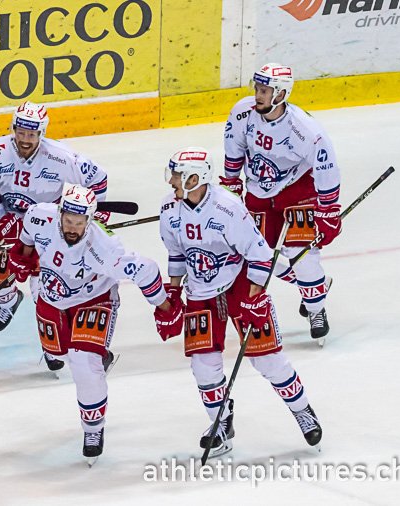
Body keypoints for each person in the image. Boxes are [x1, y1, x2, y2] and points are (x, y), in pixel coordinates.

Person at [154, 147, 322, 457]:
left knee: (267, 358)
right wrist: (173, 294)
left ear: (196, 178)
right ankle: (221, 424)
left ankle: (302, 410)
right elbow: (176, 255)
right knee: (203, 365)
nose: (172, 182)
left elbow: (259, 256)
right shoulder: (169, 209)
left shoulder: (229, 209)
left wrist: (254, 299)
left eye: (178, 176)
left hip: (240, 282)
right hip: (201, 291)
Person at [8, 184, 172, 465]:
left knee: (83, 362)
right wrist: (22, 256)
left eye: (79, 223)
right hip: (52, 296)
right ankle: (100, 358)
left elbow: (145, 269)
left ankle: (93, 429)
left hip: (93, 300)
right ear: (60, 213)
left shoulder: (105, 248)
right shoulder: (39, 216)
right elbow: (26, 237)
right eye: (68, 220)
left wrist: (164, 308)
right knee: (58, 355)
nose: (72, 227)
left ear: (91, 220)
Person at [0, 101, 109, 371]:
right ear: (14, 128)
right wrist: (3, 220)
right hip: (7, 221)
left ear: (41, 133)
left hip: (48, 228)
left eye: (31, 134)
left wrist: (94, 219)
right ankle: (9, 301)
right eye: (21, 132)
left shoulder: (63, 158)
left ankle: (50, 344)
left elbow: (99, 180)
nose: (25, 138)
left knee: (45, 291)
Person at [222, 63, 341, 340]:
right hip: (258, 193)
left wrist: (328, 210)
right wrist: (230, 183)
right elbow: (234, 146)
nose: (258, 95)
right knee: (257, 256)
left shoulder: (305, 130)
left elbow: (326, 167)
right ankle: (316, 285)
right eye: (257, 88)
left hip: (297, 192)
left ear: (280, 93)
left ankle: (316, 308)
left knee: (302, 256)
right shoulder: (243, 113)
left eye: (264, 90)